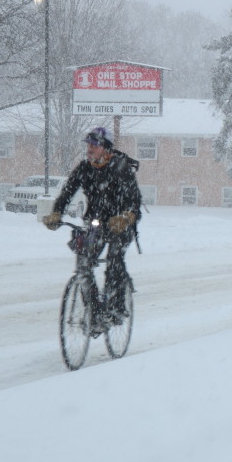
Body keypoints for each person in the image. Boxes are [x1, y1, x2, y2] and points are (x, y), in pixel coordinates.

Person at [43, 126, 142, 322]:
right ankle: (95, 313)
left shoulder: (120, 167)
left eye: (94, 145)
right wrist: (56, 213)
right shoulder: (84, 168)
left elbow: (134, 202)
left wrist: (125, 217)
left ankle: (116, 306)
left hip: (120, 225)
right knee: (84, 263)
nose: (89, 149)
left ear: (105, 148)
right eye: (88, 145)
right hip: (95, 224)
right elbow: (67, 193)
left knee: (115, 259)